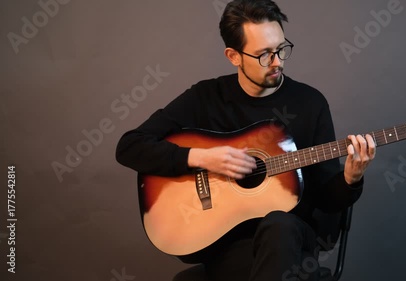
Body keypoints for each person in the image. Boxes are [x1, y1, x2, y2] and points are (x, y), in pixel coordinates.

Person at [116, 0, 376, 280]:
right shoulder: (206, 97)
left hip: (293, 239)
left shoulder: (310, 103)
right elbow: (129, 146)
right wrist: (201, 157)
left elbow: (328, 201)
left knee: (279, 223)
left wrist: (351, 178)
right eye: (264, 54)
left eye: (281, 49)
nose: (277, 62)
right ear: (233, 56)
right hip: (229, 244)